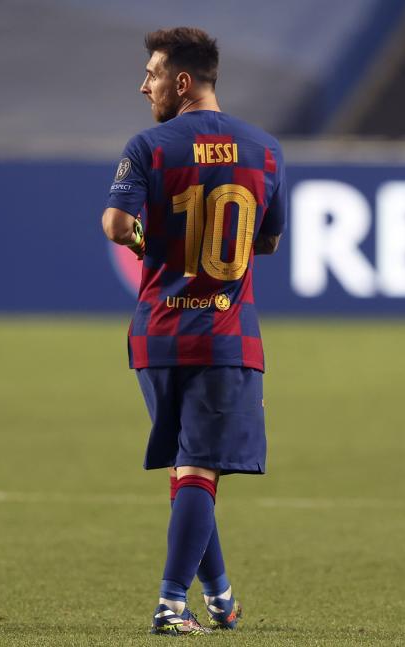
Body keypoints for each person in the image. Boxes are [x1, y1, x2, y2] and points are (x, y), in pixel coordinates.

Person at [100, 26, 287, 635]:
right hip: (223, 335)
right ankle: (171, 605)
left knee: (189, 470)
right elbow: (269, 240)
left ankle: (222, 598)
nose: (142, 84)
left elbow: (114, 223)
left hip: (155, 335)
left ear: (182, 82)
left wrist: (149, 242)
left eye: (151, 73)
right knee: (199, 470)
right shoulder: (264, 150)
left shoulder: (150, 146)